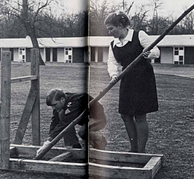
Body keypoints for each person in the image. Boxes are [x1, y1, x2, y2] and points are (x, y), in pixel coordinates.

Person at [105, 11, 159, 153]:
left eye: (111, 28)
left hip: (143, 79)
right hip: (127, 79)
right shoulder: (113, 44)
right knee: (125, 114)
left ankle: (141, 151)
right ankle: (133, 149)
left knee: (140, 115)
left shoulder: (139, 35)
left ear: (121, 25)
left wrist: (149, 54)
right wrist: (114, 75)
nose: (110, 32)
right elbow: (112, 62)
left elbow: (156, 51)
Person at [36, 88, 107, 157]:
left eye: (54, 105)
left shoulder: (76, 101)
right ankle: (74, 146)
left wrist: (49, 141)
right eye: (52, 106)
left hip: (98, 119)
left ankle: (100, 142)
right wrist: (48, 141)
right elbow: (55, 122)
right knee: (62, 117)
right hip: (85, 120)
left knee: (82, 132)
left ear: (62, 99)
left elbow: (65, 122)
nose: (53, 108)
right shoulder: (62, 104)